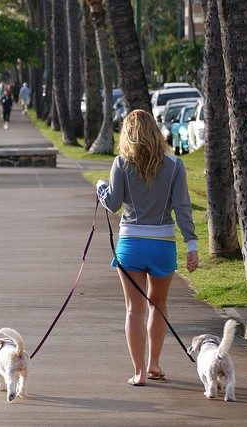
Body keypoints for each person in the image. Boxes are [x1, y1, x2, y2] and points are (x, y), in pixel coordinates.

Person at [96, 109, 199, 387]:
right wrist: (192, 243)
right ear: (154, 131)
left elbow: (114, 203)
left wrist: (101, 188)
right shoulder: (175, 166)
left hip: (131, 244)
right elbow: (182, 208)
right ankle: (154, 364)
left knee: (134, 309)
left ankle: (139, 373)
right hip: (163, 244)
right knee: (159, 304)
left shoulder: (121, 163)